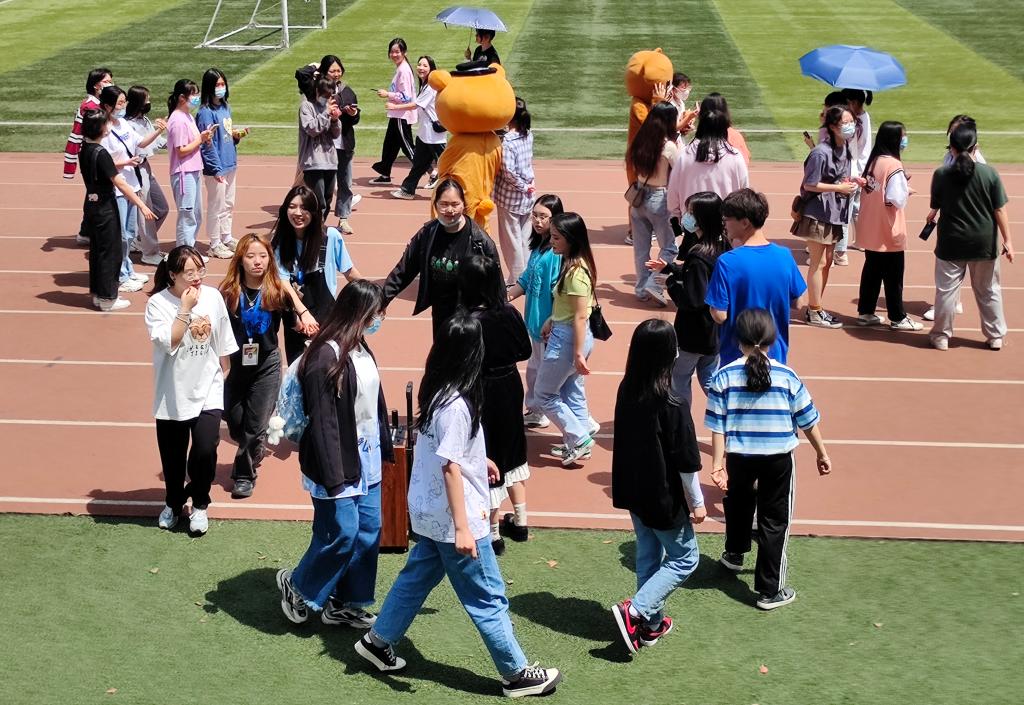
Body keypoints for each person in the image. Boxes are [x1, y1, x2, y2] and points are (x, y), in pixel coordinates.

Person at [354, 314, 562, 698]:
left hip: (430, 514)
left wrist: (478, 459)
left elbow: (447, 451)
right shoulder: (457, 404)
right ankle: (516, 674)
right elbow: (450, 467)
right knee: (487, 597)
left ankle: (377, 641)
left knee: (415, 580)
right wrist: (464, 528)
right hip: (455, 520)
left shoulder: (437, 390)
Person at [276, 280, 393, 631]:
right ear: (360, 313)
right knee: (343, 532)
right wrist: (333, 477)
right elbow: (324, 422)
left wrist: (384, 448)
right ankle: (298, 585)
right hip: (336, 461)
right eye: (377, 313)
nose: (380, 319)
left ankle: (345, 603)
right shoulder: (324, 357)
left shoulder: (361, 347)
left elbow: (374, 404)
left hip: (366, 456)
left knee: (368, 531)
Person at [706, 308, 832, 610]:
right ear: (772, 341)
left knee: (738, 504)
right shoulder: (787, 376)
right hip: (778, 459)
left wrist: (717, 464)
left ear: (738, 340)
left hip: (740, 457)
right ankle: (770, 590)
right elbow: (807, 419)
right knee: (774, 520)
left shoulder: (723, 376)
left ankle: (734, 554)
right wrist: (821, 452)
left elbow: (717, 425)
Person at [610, 319, 704, 654]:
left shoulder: (627, 389)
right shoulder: (672, 402)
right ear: (670, 354)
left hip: (634, 491)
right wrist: (697, 503)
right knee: (686, 558)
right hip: (663, 498)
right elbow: (687, 460)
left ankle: (652, 625)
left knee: (648, 556)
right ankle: (636, 610)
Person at [145, 245, 238, 535]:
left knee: (205, 449)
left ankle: (199, 504)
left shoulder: (212, 296)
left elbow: (222, 335)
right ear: (172, 275)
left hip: (208, 387)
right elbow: (170, 341)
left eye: (200, 270)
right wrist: (184, 309)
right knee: (173, 458)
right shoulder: (158, 304)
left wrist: (224, 367)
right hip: (172, 393)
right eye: (189, 272)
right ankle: (173, 503)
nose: (197, 277)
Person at [457, 255, 532, 555]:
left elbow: (461, 364)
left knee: (488, 453)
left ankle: (493, 532)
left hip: (482, 389)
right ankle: (521, 519)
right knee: (513, 448)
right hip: (511, 384)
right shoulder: (510, 312)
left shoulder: (470, 322)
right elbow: (525, 350)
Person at [926, 122, 1013, 351]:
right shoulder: (989, 173)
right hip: (983, 242)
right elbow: (999, 209)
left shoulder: (941, 174)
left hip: (951, 242)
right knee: (989, 290)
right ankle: (995, 335)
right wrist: (1008, 240)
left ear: (951, 148)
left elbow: (936, 204)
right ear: (976, 146)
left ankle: (941, 336)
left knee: (946, 291)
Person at [218, 234, 290, 498]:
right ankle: (254, 447)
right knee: (236, 423)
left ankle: (244, 476)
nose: (257, 262)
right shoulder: (227, 293)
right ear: (240, 260)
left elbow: (294, 324)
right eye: (250, 256)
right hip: (235, 365)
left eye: (263, 256)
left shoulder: (277, 291)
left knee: (255, 424)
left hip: (267, 365)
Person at [382, 178, 500, 336]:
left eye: (455, 204)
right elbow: (404, 270)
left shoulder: (480, 242)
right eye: (444, 204)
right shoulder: (427, 234)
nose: (450, 210)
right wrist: (381, 301)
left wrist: (501, 319)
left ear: (463, 205)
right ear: (435, 204)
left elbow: (497, 285)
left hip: (471, 318)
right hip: (441, 313)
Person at [706, 189, 807, 366]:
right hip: (774, 355)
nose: (724, 225)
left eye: (727, 220)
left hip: (736, 357)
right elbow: (798, 302)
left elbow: (720, 315)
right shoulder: (784, 255)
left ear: (745, 222)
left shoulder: (727, 262)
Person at [647, 191, 730, 406]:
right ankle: (732, 411)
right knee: (710, 378)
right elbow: (704, 275)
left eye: (691, 212)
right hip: (713, 332)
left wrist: (671, 284)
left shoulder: (698, 254)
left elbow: (693, 299)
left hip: (692, 334)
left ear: (702, 218)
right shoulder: (722, 245)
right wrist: (672, 268)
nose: (686, 216)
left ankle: (681, 420)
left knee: (678, 379)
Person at [536, 212, 599, 466]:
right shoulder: (575, 264)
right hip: (569, 333)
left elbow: (581, 316)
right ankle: (581, 440)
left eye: (556, 237)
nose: (551, 241)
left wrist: (577, 353)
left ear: (571, 239)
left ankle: (579, 438)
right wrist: (553, 318)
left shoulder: (576, 273)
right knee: (572, 390)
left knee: (544, 394)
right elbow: (572, 308)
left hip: (568, 339)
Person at [271, 185, 361, 363]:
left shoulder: (330, 237)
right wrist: (303, 314)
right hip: (297, 321)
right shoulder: (280, 241)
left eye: (304, 208)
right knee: (298, 369)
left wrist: (374, 298)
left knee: (328, 367)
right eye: (292, 207)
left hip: (327, 319)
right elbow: (283, 282)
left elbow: (350, 272)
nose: (298, 213)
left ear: (314, 212)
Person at [78, 110, 155, 311]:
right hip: (105, 206)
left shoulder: (85, 149)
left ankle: (98, 293)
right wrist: (141, 204)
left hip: (92, 204)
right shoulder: (101, 153)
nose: (109, 126)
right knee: (110, 253)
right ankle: (107, 297)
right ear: (100, 128)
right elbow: (119, 182)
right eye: (106, 124)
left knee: (98, 251)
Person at [793, 105, 857, 329]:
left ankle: (817, 307)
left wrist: (852, 182)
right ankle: (814, 310)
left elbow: (839, 178)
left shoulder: (844, 148)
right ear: (832, 126)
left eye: (852, 122)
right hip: (818, 212)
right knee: (819, 262)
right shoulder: (820, 152)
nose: (850, 126)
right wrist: (839, 188)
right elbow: (810, 184)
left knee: (828, 261)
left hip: (835, 212)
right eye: (845, 123)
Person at [855, 121, 922, 331]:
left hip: (871, 226)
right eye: (903, 136)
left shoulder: (874, 160)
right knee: (893, 275)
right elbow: (896, 199)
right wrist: (905, 190)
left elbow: (876, 188)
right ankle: (898, 316)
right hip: (887, 228)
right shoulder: (894, 165)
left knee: (872, 271)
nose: (905, 140)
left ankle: (866, 311)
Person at [507, 194, 564, 430]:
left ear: (555, 219)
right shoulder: (539, 248)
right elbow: (526, 279)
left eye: (543, 217)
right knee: (534, 371)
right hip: (535, 325)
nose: (538, 221)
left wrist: (553, 321)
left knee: (547, 378)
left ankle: (575, 423)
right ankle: (536, 411)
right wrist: (506, 296)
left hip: (548, 328)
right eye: (535, 216)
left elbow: (558, 291)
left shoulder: (556, 253)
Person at [923, 114, 985, 322]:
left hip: (968, 220)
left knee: (954, 265)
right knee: (950, 265)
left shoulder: (978, 162)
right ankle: (953, 302)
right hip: (950, 217)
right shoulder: (948, 157)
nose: (952, 134)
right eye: (951, 130)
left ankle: (945, 308)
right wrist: (935, 209)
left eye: (956, 131)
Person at [99, 85, 156, 295]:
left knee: (130, 233)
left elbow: (141, 142)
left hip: (132, 185)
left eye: (124, 102)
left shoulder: (123, 123)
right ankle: (120, 276)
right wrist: (125, 163)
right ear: (108, 106)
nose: (123, 106)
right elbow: (103, 161)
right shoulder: (103, 130)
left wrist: (159, 130)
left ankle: (128, 269)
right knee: (120, 235)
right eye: (120, 103)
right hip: (117, 189)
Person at [667, 98, 749, 229]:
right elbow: (744, 193)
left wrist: (677, 218)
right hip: (725, 224)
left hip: (692, 225)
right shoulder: (735, 156)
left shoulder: (684, 155)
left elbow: (672, 194)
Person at [627, 102, 679, 307]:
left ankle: (641, 288)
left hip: (638, 197)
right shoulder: (668, 146)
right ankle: (653, 282)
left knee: (641, 248)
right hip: (659, 198)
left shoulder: (641, 140)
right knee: (670, 247)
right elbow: (680, 169)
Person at [197, 68, 248, 259]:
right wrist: (215, 168)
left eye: (223, 84)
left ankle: (226, 236)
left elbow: (224, 135)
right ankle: (214, 242)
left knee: (228, 203)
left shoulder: (226, 107)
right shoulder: (205, 113)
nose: (221, 87)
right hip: (216, 167)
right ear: (209, 87)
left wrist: (236, 137)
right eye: (217, 84)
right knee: (216, 206)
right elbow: (207, 144)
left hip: (229, 161)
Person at [166, 79, 217, 248]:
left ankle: (189, 247)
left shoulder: (187, 116)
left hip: (193, 170)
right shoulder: (178, 120)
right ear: (182, 97)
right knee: (187, 214)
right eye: (194, 94)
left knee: (196, 214)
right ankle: (184, 250)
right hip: (184, 173)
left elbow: (192, 143)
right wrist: (201, 139)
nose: (197, 97)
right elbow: (181, 150)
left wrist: (204, 138)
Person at [66, 67, 113, 245]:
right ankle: (88, 231)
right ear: (95, 85)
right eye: (106, 81)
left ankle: (87, 230)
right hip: (91, 152)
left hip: (96, 151)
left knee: (95, 192)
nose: (109, 84)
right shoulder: (89, 106)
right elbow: (80, 132)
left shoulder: (98, 103)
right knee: (96, 192)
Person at [389, 55, 447, 200]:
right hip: (424, 134)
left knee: (448, 165)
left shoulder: (431, 87)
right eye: (419, 65)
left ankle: (460, 191)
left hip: (434, 136)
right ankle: (407, 190)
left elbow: (416, 105)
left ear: (432, 69)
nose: (421, 68)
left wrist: (395, 107)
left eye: (425, 66)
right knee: (418, 164)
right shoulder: (425, 85)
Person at [125, 85, 170, 266]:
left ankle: (139, 241)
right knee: (146, 212)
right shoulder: (128, 124)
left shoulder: (144, 120)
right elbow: (141, 145)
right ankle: (150, 253)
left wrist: (177, 141)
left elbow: (158, 142)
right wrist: (159, 130)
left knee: (161, 208)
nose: (149, 102)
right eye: (146, 99)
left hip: (146, 168)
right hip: (136, 170)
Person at [492, 97, 536, 283]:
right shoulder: (528, 134)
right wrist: (527, 187)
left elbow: (509, 172)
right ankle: (528, 273)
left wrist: (522, 186)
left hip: (510, 198)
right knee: (525, 238)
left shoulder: (508, 142)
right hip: (528, 194)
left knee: (511, 240)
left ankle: (517, 279)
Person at [317, 55, 361, 235]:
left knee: (345, 182)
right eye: (332, 71)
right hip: (324, 145)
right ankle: (319, 220)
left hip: (344, 143)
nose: (336, 74)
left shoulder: (347, 91)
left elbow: (356, 118)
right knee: (323, 185)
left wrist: (352, 113)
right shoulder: (317, 91)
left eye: (338, 70)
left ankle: (343, 218)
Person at [370, 38, 416, 185]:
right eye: (392, 52)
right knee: (390, 144)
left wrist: (387, 94)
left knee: (407, 146)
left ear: (404, 52)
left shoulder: (403, 70)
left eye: (397, 52)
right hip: (397, 114)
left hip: (401, 114)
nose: (394, 54)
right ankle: (385, 172)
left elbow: (406, 97)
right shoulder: (401, 68)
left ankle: (430, 172)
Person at [836, 88, 873, 265]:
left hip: (853, 171)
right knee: (856, 208)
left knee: (845, 210)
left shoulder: (854, 123)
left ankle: (840, 252)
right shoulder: (864, 117)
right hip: (861, 169)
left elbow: (849, 146)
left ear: (854, 103)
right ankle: (861, 240)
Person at [299, 77, 342, 219]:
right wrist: (326, 114)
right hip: (313, 161)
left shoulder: (329, 107)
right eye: (325, 95)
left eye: (330, 95)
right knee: (318, 201)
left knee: (328, 200)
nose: (327, 98)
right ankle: (316, 228)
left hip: (330, 161)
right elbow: (311, 129)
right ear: (317, 91)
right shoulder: (307, 107)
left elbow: (335, 134)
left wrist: (335, 120)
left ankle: (320, 225)